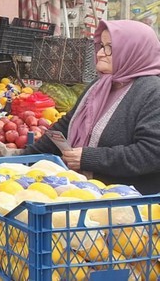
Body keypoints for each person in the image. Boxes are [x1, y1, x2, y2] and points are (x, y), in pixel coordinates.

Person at [23, 20, 160, 195]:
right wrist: (24, 160)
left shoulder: (152, 92)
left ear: (132, 51)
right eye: (101, 46)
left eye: (110, 47)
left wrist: (90, 158)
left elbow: (150, 153)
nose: (101, 53)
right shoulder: (100, 85)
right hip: (86, 193)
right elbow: (65, 126)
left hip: (128, 204)